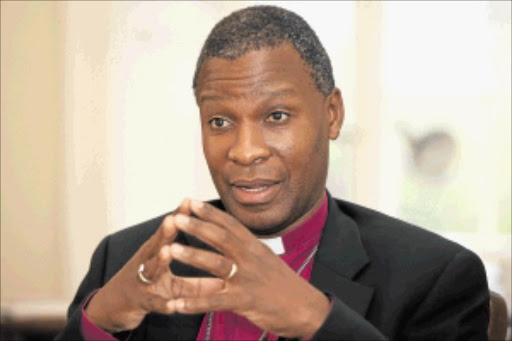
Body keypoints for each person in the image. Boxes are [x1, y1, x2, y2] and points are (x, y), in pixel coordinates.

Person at [56, 5, 489, 341]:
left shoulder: (435, 277)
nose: (244, 152)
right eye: (220, 122)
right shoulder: (127, 257)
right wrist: (102, 318)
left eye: (277, 116)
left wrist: (314, 317)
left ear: (332, 115)